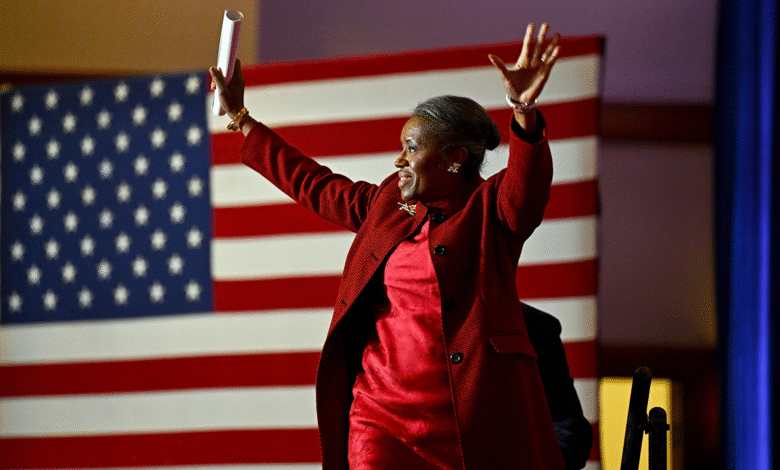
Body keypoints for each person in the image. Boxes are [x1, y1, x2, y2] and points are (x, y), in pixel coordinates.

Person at [211, 23, 577, 470]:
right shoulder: (387, 204)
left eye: (412, 148)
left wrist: (523, 110)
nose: (399, 159)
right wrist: (241, 118)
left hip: (466, 420)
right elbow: (313, 183)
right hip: (380, 413)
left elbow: (528, 182)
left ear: (454, 158)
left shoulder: (492, 210)